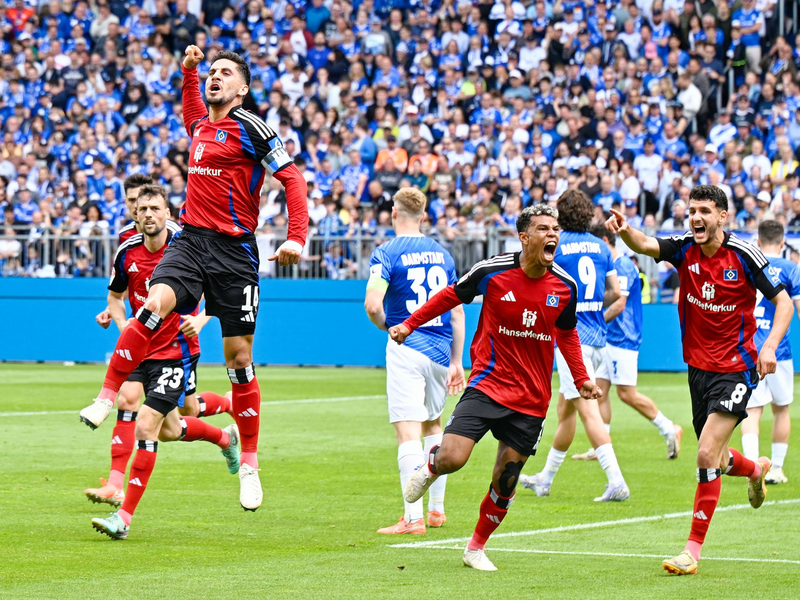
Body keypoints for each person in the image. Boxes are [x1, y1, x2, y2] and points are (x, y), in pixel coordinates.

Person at [79, 46, 309, 512]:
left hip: (235, 253)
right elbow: (190, 104)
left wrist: (297, 238)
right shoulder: (200, 125)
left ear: (242, 88)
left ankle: (248, 461)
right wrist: (188, 70)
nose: (214, 77)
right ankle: (106, 397)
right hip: (191, 242)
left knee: (239, 357)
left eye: (225, 73)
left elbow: (293, 179)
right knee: (153, 303)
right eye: (212, 73)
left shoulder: (253, 128)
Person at [390, 204, 600, 571]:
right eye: (543, 229)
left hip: (532, 398)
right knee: (453, 457)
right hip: (488, 384)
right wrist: (410, 324)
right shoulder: (493, 271)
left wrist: (582, 378)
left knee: (506, 479)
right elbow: (450, 295)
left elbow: (567, 334)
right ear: (524, 237)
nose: (552, 235)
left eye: (555, 229)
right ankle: (429, 467)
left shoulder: (565, 286)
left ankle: (475, 547)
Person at [606, 184, 792, 575]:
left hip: (737, 367)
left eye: (705, 211)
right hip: (698, 370)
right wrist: (625, 231)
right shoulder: (683, 247)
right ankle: (755, 470)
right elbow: (644, 243)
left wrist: (770, 346)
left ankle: (691, 551)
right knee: (720, 459)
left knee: (705, 454)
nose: (696, 218)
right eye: (692, 210)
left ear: (722, 216)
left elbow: (784, 302)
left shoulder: (744, 255)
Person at [90, 185, 241, 540]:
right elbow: (115, 297)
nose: (146, 214)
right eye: (140, 208)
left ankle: (123, 516)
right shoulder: (127, 250)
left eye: (154, 208)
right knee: (165, 426)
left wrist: (201, 320)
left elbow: (216, 291)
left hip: (177, 349)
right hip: (143, 350)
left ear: (168, 213)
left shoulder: (186, 246)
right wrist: (127, 326)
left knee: (153, 424)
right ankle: (224, 438)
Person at [364, 188, 466, 535]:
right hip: (440, 350)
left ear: (394, 214)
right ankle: (436, 511)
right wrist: (457, 359)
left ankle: (413, 518)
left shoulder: (386, 252)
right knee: (434, 426)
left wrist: (390, 329)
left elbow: (374, 306)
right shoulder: (443, 255)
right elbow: (456, 310)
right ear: (423, 217)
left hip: (408, 347)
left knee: (407, 430)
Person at [519, 190, 629, 502]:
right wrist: (593, 305)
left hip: (572, 340)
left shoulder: (556, 245)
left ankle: (616, 480)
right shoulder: (601, 246)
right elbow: (615, 291)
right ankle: (545, 478)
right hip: (598, 336)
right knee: (565, 411)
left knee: (587, 412)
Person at [571, 224, 683, 461]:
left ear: (604, 240)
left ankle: (669, 428)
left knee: (627, 393)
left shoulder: (622, 264)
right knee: (600, 391)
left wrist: (595, 321)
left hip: (623, 338)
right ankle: (602, 445)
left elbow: (619, 303)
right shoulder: (610, 264)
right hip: (608, 338)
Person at [741, 220, 800, 485]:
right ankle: (775, 469)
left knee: (752, 410)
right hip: (779, 350)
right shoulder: (791, 269)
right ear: (782, 240)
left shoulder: (748, 264)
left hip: (751, 347)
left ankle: (753, 468)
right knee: (781, 409)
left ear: (758, 240)